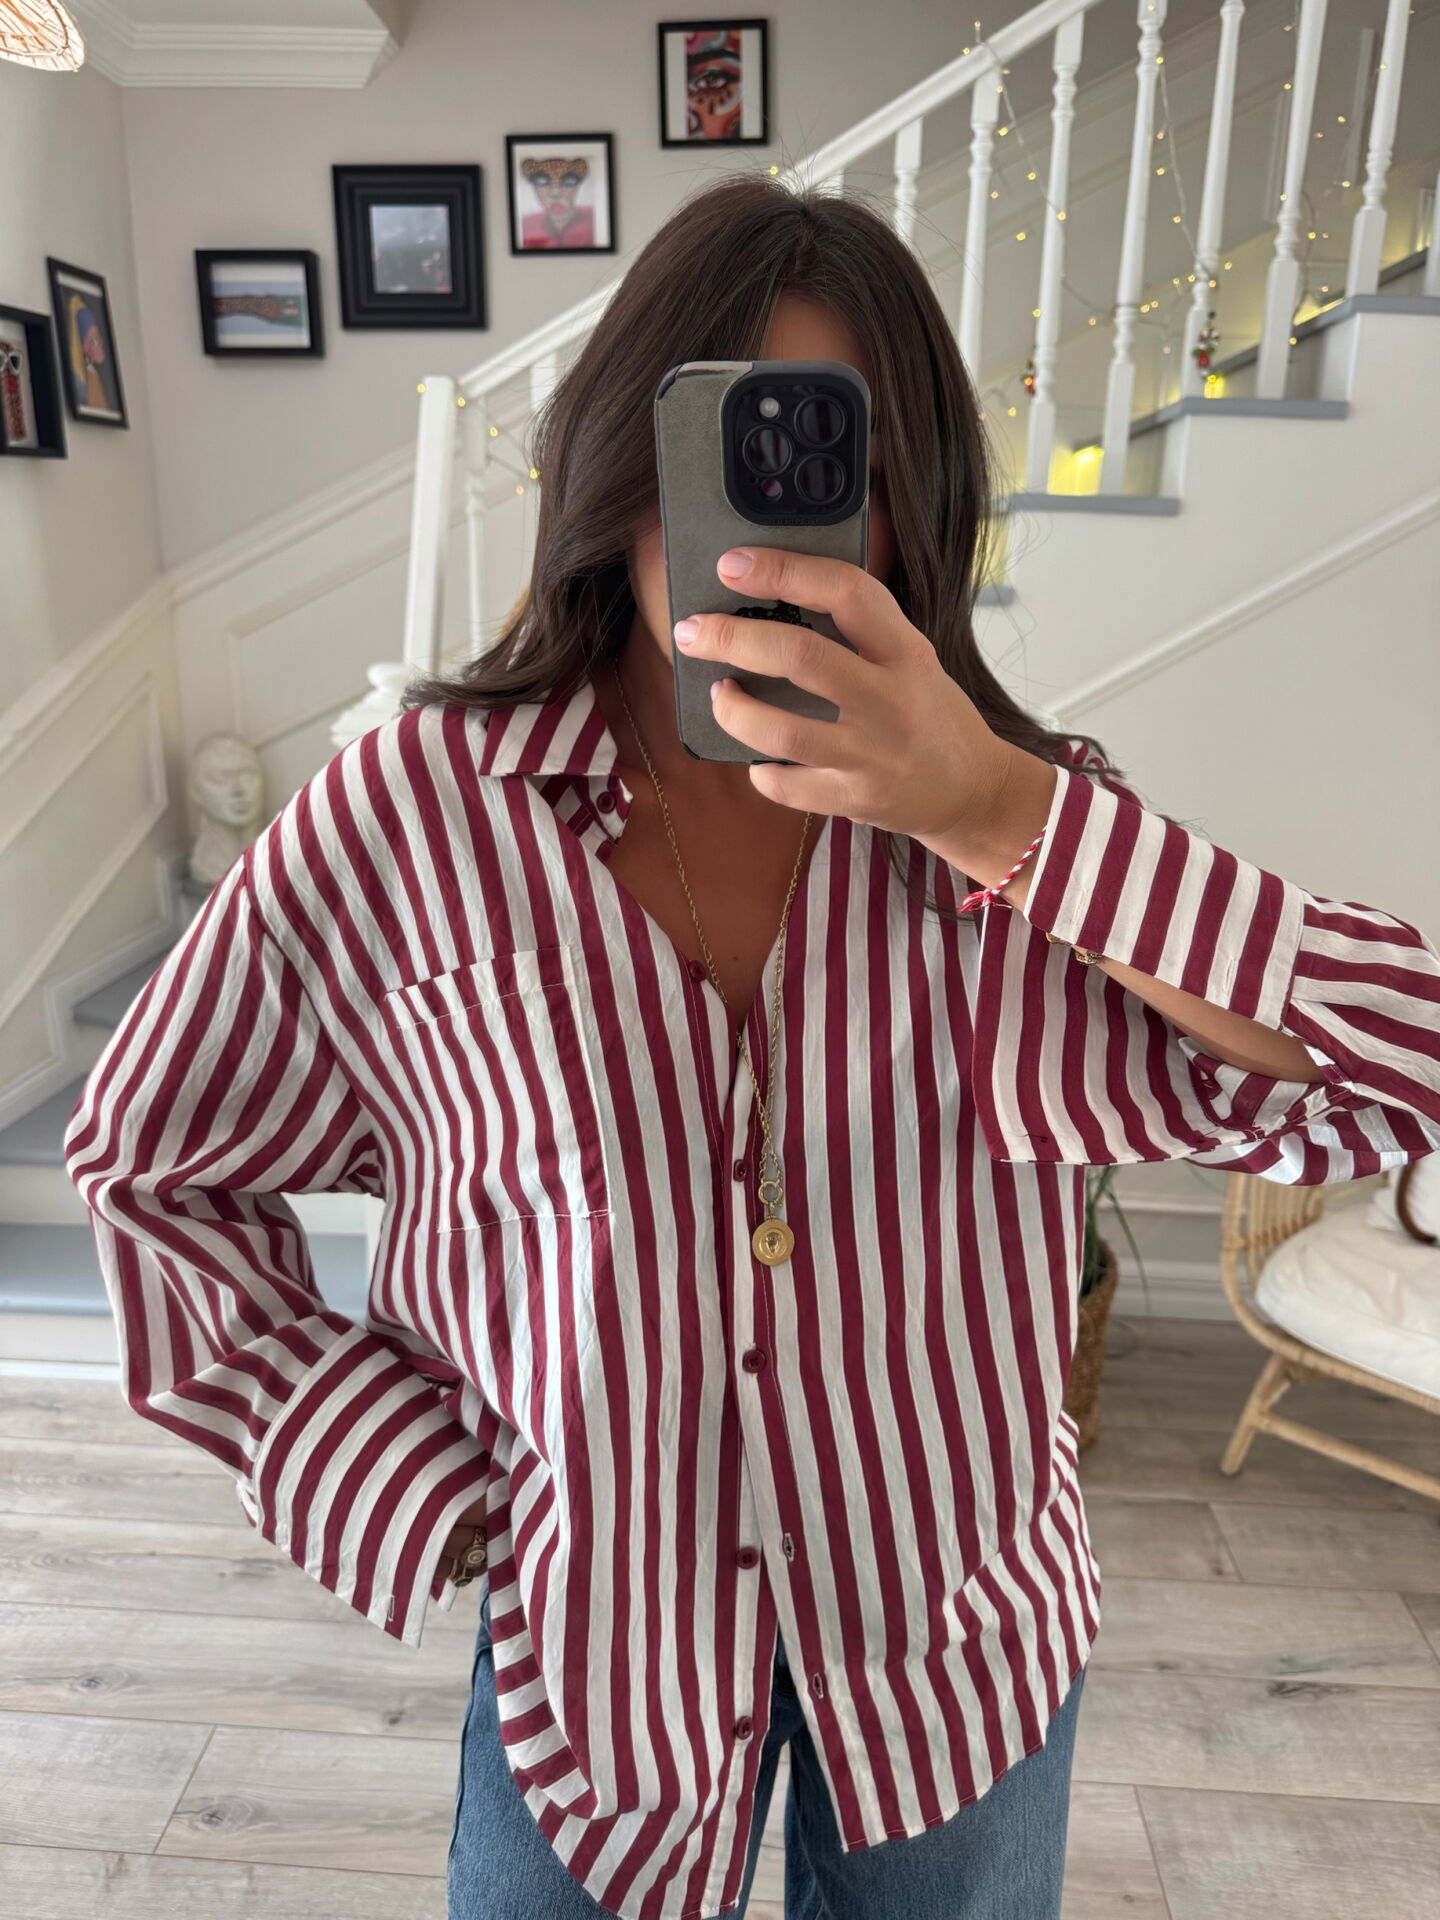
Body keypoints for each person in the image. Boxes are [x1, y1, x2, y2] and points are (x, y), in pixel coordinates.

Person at [64, 176, 1440, 1920]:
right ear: (616, 466)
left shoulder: (1030, 844)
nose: (762, 532)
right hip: (595, 1675)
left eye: (828, 461)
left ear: (913, 496)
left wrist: (1003, 813)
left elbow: (1402, 1071)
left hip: (960, 1660)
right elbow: (150, 1162)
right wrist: (397, 1471)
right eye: (721, 450)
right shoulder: (417, 814)